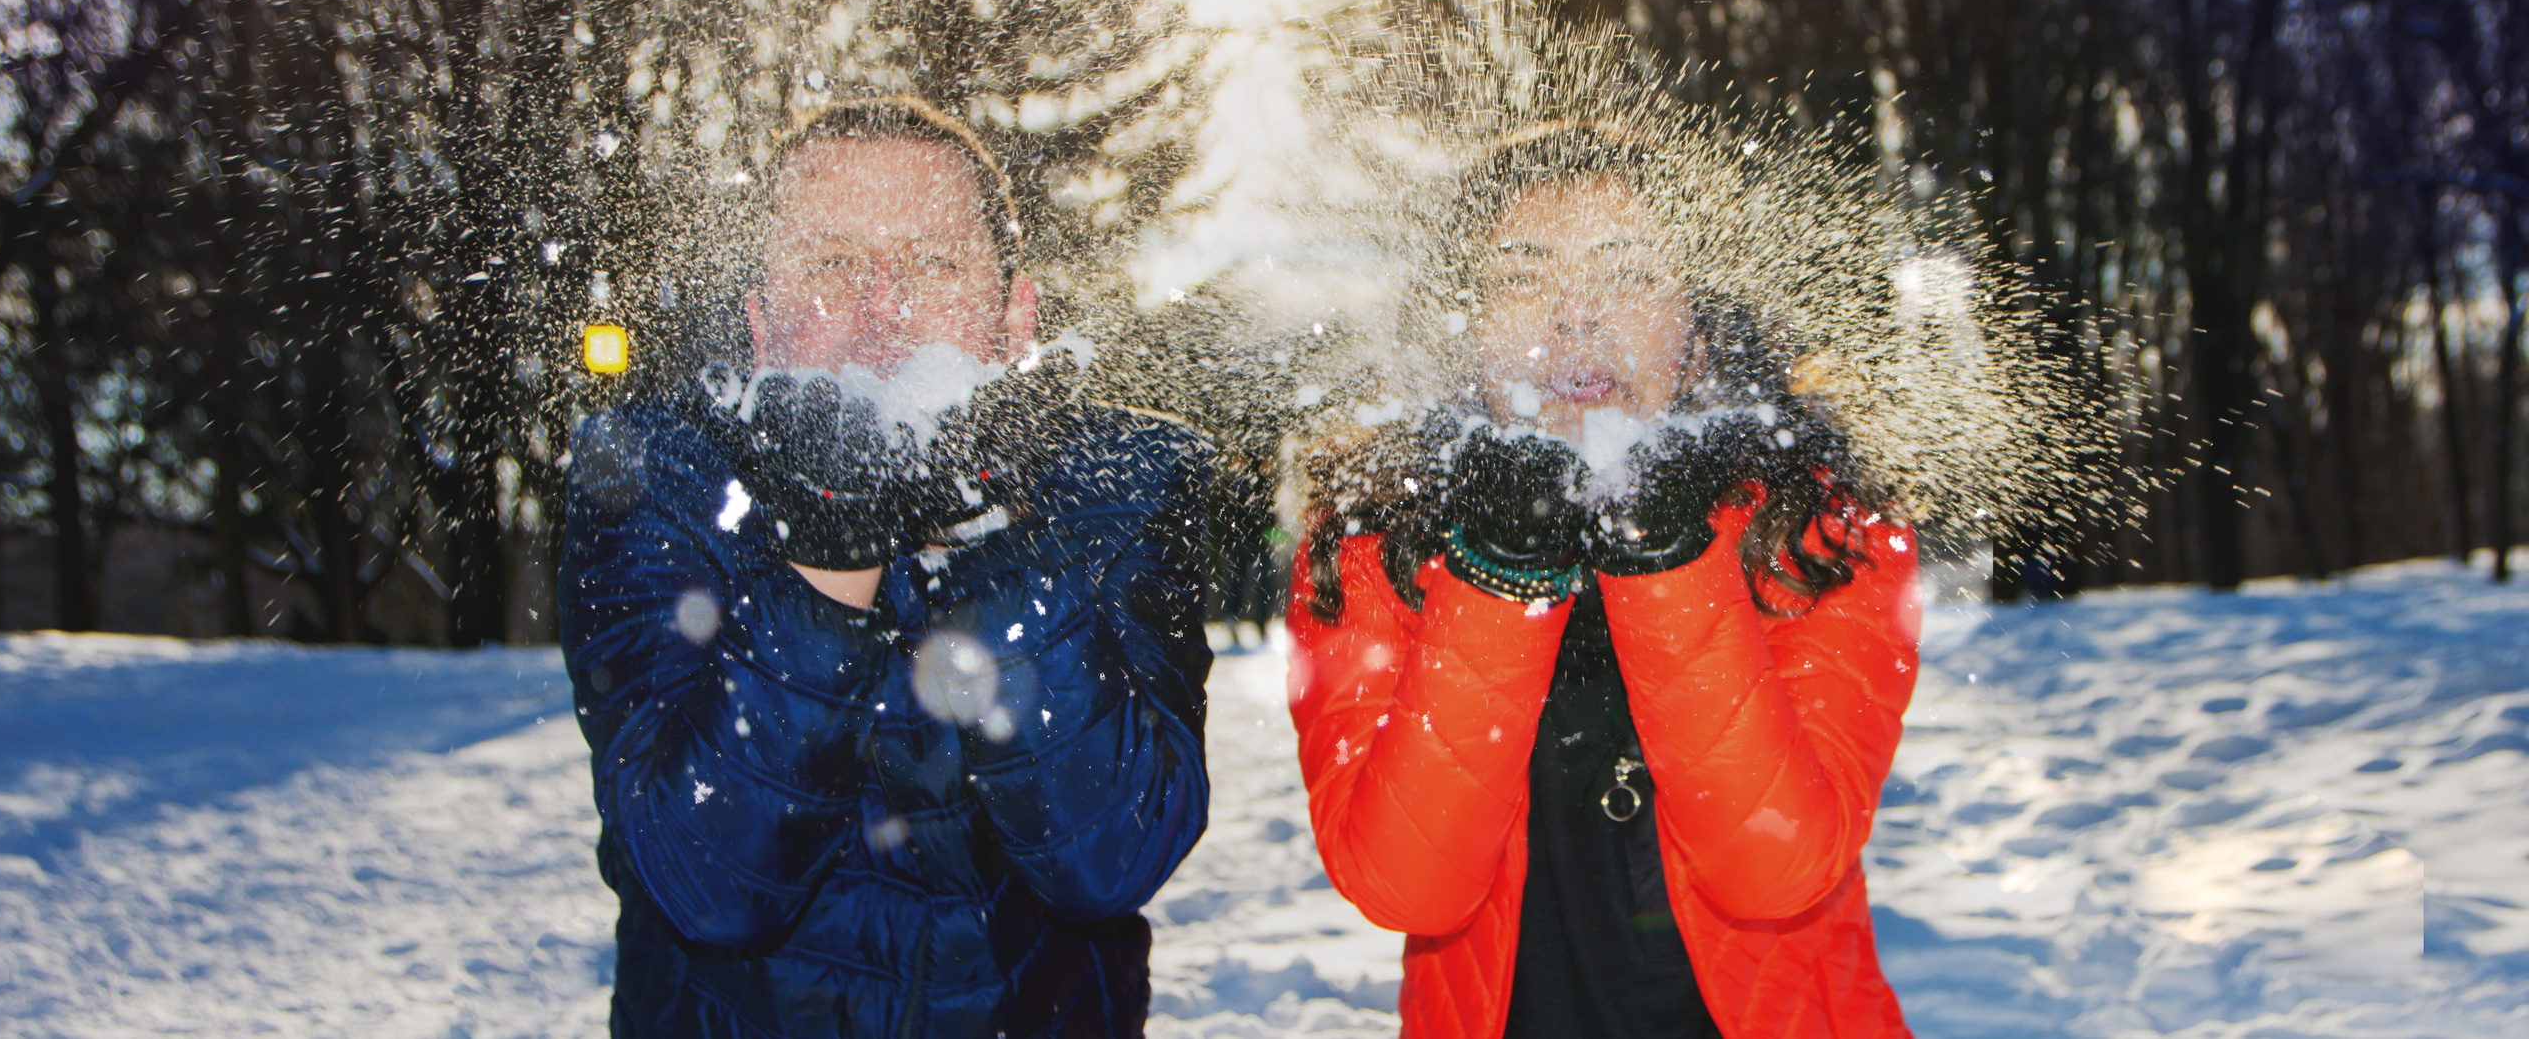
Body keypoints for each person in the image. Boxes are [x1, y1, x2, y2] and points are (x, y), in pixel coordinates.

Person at [561, 95, 1213, 1038]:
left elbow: (1108, 861)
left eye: (935, 262)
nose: (883, 312)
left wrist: (988, 534)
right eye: (831, 263)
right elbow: (709, 886)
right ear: (761, 322)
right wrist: (831, 558)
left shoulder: (1119, 487)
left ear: (1015, 315)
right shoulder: (656, 481)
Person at [1287, 124, 1922, 1039]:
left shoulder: (1819, 523)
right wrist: (1501, 572)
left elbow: (1777, 867)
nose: (1575, 314)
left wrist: (1664, 554)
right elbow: (1405, 884)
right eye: (1521, 275)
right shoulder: (1373, 537)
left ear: (1697, 330)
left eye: (1627, 272)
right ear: (1463, 328)